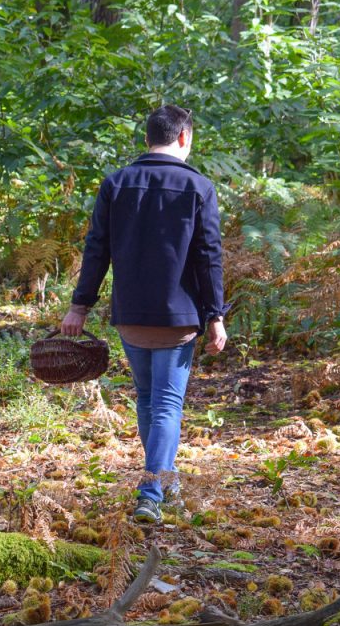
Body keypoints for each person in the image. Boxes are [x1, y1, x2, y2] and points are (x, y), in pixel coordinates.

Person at [61, 104, 227, 524]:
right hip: (179, 317)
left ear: (147, 138)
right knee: (166, 404)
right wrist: (215, 315)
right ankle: (151, 493)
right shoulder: (198, 186)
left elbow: (96, 249)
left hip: (131, 314)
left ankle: (166, 485)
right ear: (184, 137)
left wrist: (80, 306)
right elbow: (208, 256)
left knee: (149, 399)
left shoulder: (116, 183)